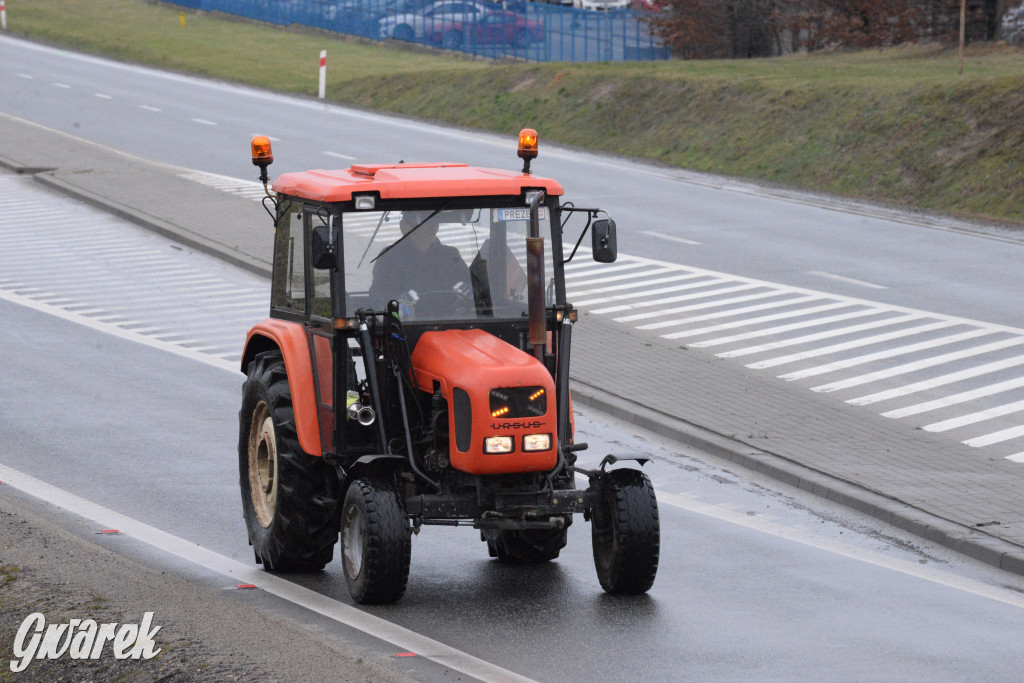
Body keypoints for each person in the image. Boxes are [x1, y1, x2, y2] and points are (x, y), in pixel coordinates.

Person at [368, 210, 472, 317]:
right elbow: (377, 292)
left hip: (449, 319)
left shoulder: (450, 254)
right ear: (408, 228)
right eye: (428, 223)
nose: (434, 229)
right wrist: (399, 298)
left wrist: (469, 289)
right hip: (409, 322)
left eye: (436, 223)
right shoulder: (390, 256)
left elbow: (473, 284)